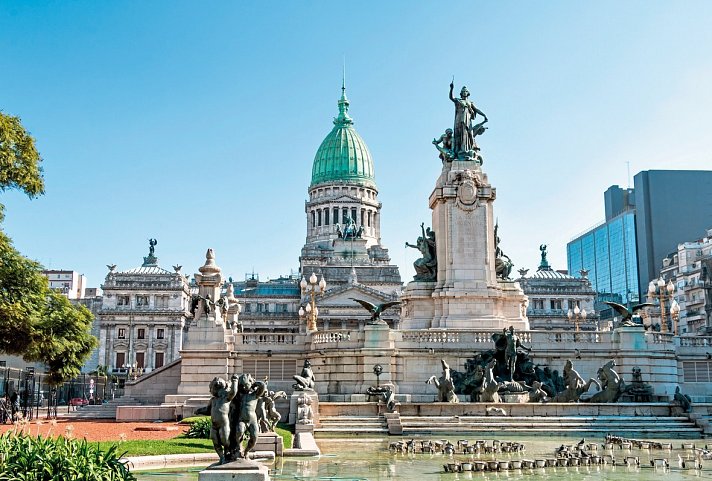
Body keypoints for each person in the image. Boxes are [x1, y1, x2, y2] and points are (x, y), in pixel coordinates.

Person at [449, 82, 487, 160]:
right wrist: (451, 88)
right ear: (461, 93)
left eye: (465, 91)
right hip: (459, 119)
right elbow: (451, 97)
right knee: (460, 133)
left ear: (468, 93)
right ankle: (460, 151)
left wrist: (484, 115)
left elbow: (476, 110)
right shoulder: (458, 100)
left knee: (468, 134)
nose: (464, 92)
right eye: (463, 91)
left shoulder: (470, 102)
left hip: (467, 120)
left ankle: (466, 150)